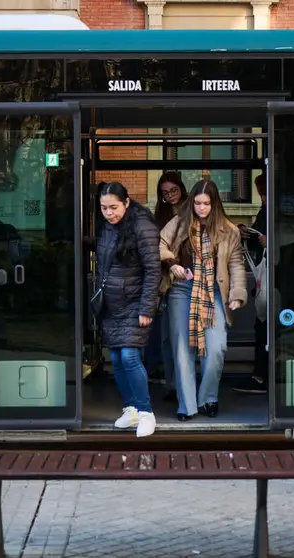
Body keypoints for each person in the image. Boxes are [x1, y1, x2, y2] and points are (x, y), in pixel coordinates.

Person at [159, 180, 247, 421]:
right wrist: (172, 264)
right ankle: (186, 405)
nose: (201, 208)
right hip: (181, 289)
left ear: (214, 203)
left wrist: (237, 294)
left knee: (216, 348)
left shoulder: (229, 230)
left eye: (206, 203)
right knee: (182, 349)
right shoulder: (179, 222)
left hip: (214, 291)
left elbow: (236, 264)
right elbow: (160, 245)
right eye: (197, 203)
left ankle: (208, 398)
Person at [95, 182, 162, 437]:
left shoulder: (143, 226)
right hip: (112, 304)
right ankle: (131, 409)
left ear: (126, 202)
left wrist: (147, 308)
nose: (108, 213)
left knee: (129, 357)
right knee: (114, 358)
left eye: (113, 207)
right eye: (104, 208)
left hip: (134, 302)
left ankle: (146, 413)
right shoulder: (108, 227)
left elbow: (153, 270)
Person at [144, 171, 187, 399]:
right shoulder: (159, 216)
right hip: (168, 281)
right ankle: (173, 384)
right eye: (165, 193)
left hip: (192, 278)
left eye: (173, 190)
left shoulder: (194, 209)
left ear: (181, 188)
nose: (170, 195)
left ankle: (188, 385)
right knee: (168, 336)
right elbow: (155, 248)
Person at [234, 173, 268, 394]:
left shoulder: (274, 211)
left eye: (263, 194)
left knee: (264, 325)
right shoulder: (266, 210)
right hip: (269, 277)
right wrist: (246, 232)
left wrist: (270, 241)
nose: (262, 198)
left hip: (276, 279)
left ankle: (261, 376)